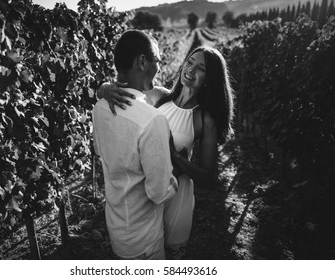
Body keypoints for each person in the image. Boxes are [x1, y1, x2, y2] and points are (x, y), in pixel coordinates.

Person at [98, 45, 235, 259]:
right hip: (147, 191)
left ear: (210, 79)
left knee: (169, 259)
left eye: (201, 68)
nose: (191, 69)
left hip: (176, 197)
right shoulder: (159, 96)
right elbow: (118, 89)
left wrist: (175, 156)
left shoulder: (203, 119)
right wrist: (105, 89)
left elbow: (208, 175)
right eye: (190, 62)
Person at [92, 29, 178, 260]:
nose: (159, 68)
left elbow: (99, 151)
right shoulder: (153, 120)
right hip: (145, 240)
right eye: (157, 61)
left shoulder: (99, 107)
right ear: (142, 61)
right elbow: (158, 193)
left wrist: (103, 88)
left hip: (117, 230)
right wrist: (173, 182)